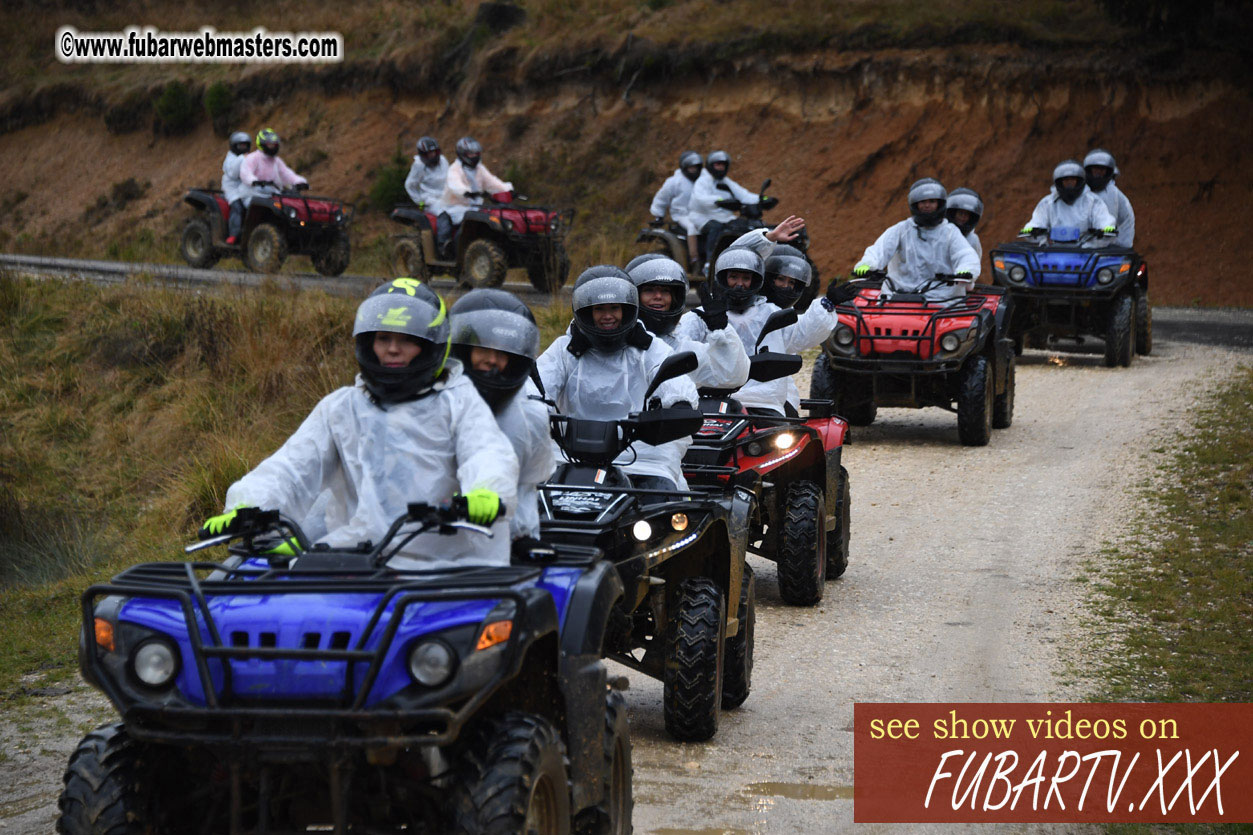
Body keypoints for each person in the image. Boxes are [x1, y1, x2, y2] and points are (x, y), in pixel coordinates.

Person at [201, 278, 518, 567]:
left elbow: (486, 452)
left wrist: (486, 494)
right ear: (368, 343)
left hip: (447, 568)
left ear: (431, 345)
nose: (392, 348)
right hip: (356, 562)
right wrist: (246, 506)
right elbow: (292, 466)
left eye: (405, 339)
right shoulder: (341, 407)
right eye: (383, 338)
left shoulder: (459, 402)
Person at [536, 268, 699, 492]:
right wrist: (533, 404)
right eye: (599, 309)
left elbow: (672, 377)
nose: (608, 316)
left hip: (641, 453)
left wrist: (680, 404)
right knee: (533, 503)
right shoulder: (565, 349)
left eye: (614, 308)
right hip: (568, 452)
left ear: (627, 309)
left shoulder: (648, 347)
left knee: (663, 507)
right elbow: (538, 383)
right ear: (585, 312)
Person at [680, 218, 841, 416]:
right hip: (708, 400)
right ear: (722, 277)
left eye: (746, 278)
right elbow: (677, 353)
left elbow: (802, 334)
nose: (740, 284)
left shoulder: (771, 313)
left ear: (756, 279)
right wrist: (767, 238)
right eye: (733, 277)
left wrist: (827, 305)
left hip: (764, 402)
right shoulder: (700, 316)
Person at [449, 289, 553, 549]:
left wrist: (522, 536)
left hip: (504, 542)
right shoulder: (437, 403)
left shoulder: (531, 417)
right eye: (483, 349)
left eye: (503, 352)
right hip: (431, 537)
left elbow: (527, 489)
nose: (492, 360)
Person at [627, 257, 750, 391]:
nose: (658, 296)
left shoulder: (680, 348)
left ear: (675, 299)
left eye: (665, 291)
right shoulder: (617, 343)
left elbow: (732, 377)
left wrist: (721, 330)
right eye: (649, 290)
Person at [852, 178, 981, 302]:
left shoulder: (950, 232)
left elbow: (965, 254)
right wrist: (868, 264)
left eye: (932, 201)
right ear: (915, 204)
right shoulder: (901, 229)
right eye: (922, 202)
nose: (927, 205)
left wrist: (967, 270)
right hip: (897, 297)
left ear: (940, 204)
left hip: (941, 300)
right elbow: (879, 250)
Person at [437, 136, 513, 258]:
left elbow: (492, 182)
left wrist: (507, 189)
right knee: (457, 227)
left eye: (476, 153)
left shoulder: (479, 168)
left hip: (475, 207)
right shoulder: (454, 169)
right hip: (455, 207)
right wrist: (466, 192)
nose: (474, 157)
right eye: (471, 154)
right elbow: (455, 184)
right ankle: (452, 250)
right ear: (462, 154)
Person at [686, 150, 761, 267]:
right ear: (711, 165)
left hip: (722, 216)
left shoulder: (725, 181)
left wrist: (761, 199)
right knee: (716, 228)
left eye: (723, 165)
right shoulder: (703, 180)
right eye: (718, 164)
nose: (721, 167)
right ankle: (709, 262)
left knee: (742, 225)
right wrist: (719, 201)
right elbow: (700, 198)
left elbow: (743, 194)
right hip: (702, 216)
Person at [1021, 160, 1116, 246]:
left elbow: (1105, 221)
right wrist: (1031, 230)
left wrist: (1107, 228)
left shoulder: (1093, 202)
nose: (1069, 183)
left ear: (1079, 181)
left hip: (1085, 251)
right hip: (1052, 251)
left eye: (1072, 180)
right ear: (1059, 182)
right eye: (1066, 180)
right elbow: (1036, 222)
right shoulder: (1047, 203)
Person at [649, 150, 704, 270]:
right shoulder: (674, 182)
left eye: (696, 167)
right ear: (685, 167)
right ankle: (695, 259)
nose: (694, 170)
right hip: (682, 215)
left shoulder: (703, 180)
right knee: (692, 227)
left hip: (700, 214)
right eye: (691, 168)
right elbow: (661, 198)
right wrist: (658, 215)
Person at [238, 128, 308, 207]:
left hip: (272, 195)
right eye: (270, 144)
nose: (272, 147)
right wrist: (254, 181)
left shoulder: (276, 161)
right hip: (252, 195)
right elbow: (246, 173)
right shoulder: (253, 158)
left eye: (274, 145)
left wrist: (299, 182)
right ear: (262, 144)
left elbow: (286, 174)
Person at [1083, 148, 1135, 248]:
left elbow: (1122, 224)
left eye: (1102, 170)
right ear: (1088, 170)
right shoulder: (1082, 192)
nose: (1098, 173)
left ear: (1109, 172)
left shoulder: (1113, 195)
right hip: (1082, 246)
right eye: (1095, 169)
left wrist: (1106, 233)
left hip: (1109, 248)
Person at [404, 135, 449, 214]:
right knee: (444, 213)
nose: (433, 155)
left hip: (446, 196)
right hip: (430, 200)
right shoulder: (419, 165)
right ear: (423, 154)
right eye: (429, 153)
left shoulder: (443, 160)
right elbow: (410, 185)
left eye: (434, 152)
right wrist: (420, 202)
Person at [221, 131, 251, 246]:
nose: (243, 148)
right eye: (240, 145)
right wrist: (243, 159)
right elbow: (233, 173)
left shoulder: (248, 157)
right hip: (232, 189)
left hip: (246, 189)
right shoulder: (230, 159)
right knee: (237, 207)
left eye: (245, 145)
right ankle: (233, 234)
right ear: (234, 146)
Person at [945, 187, 984, 260]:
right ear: (953, 213)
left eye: (967, 214)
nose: (963, 217)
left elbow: (975, 263)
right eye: (961, 213)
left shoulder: (972, 239)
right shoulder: (940, 233)